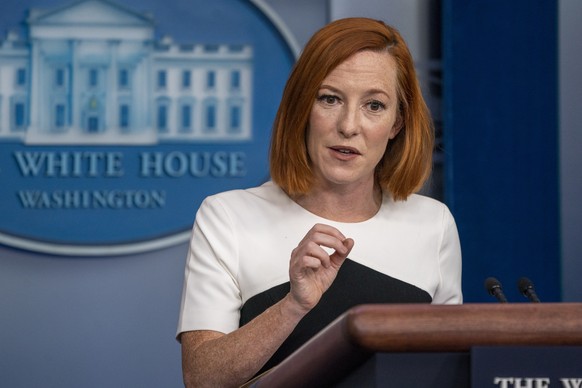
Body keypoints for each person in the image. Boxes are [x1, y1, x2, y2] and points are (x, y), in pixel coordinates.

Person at [177, 17, 462, 387]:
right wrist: (293, 306)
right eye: (330, 99)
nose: (348, 125)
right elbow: (202, 378)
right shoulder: (228, 217)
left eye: (374, 105)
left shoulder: (434, 224)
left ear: (396, 124)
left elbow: (449, 370)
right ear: (302, 109)